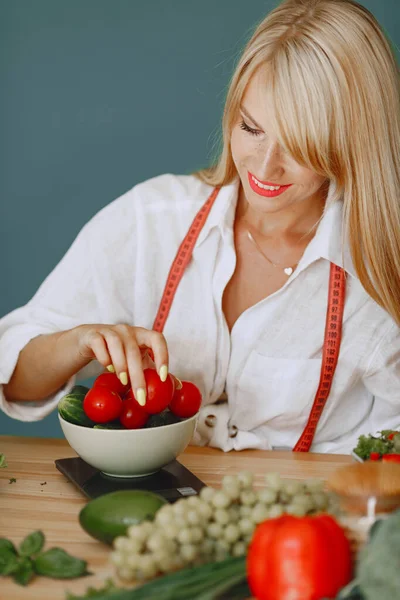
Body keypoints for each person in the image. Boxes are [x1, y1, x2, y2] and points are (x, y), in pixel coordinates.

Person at [1, 0, 399, 454]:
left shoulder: (379, 268)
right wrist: (80, 342)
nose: (266, 166)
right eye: (251, 128)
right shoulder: (152, 220)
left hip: (310, 517)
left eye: (301, 146)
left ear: (353, 142)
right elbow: (16, 384)